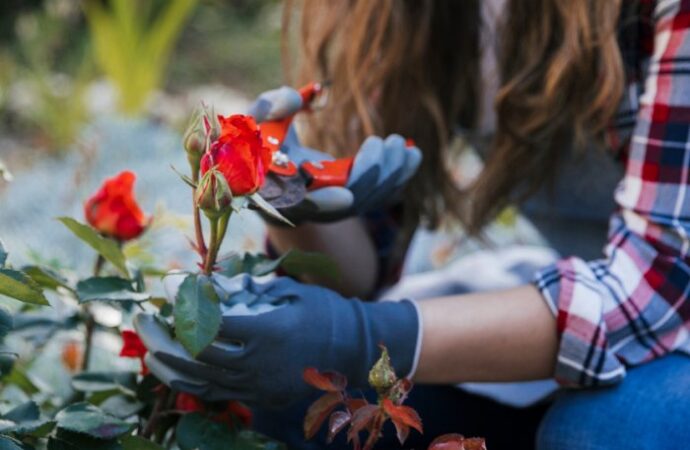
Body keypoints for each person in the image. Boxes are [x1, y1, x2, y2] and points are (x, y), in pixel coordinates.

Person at [135, 0, 690, 448]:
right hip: (609, 304)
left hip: (661, 308)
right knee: (295, 406)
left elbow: (660, 283)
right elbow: (362, 271)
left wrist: (360, 336)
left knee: (610, 432)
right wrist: (293, 197)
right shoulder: (429, 14)